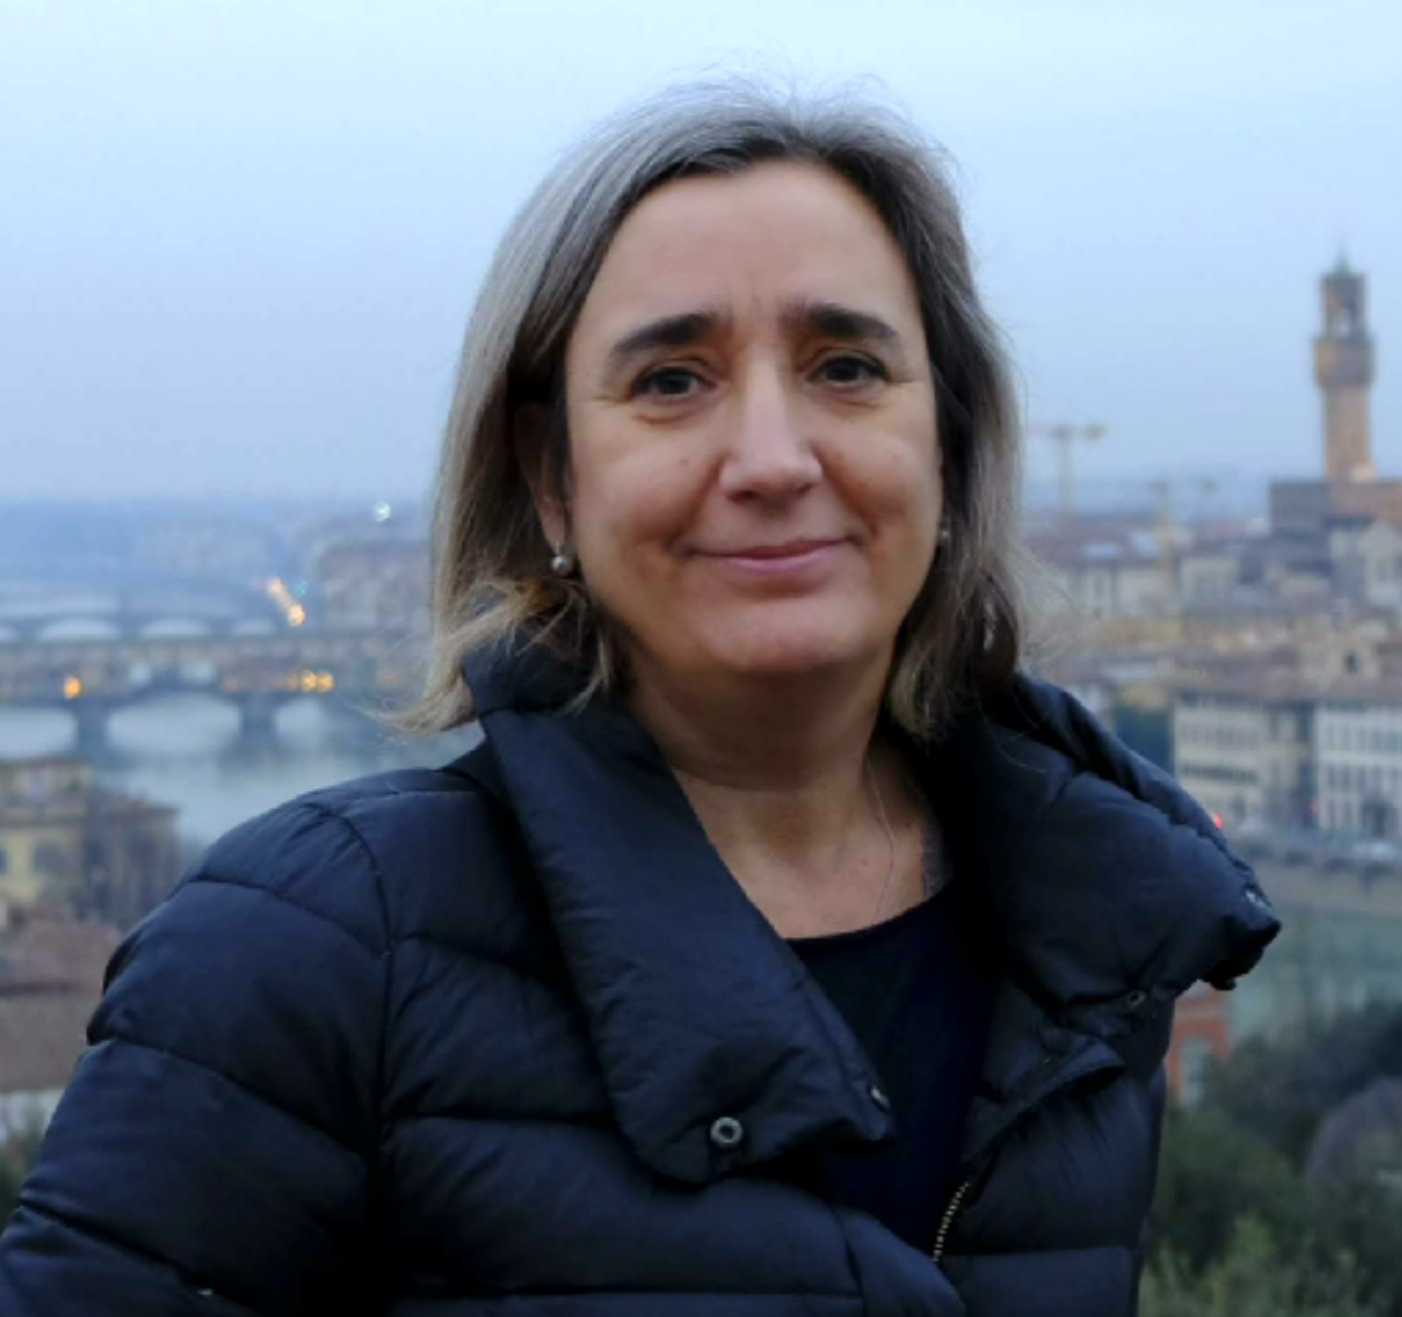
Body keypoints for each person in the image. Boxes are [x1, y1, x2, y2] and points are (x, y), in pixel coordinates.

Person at [0, 82, 1280, 1317]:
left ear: (947, 446)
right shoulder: (299, 957)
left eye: (846, 366)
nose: (772, 460)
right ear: (549, 480)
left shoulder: (1092, 939)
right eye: (671, 380)